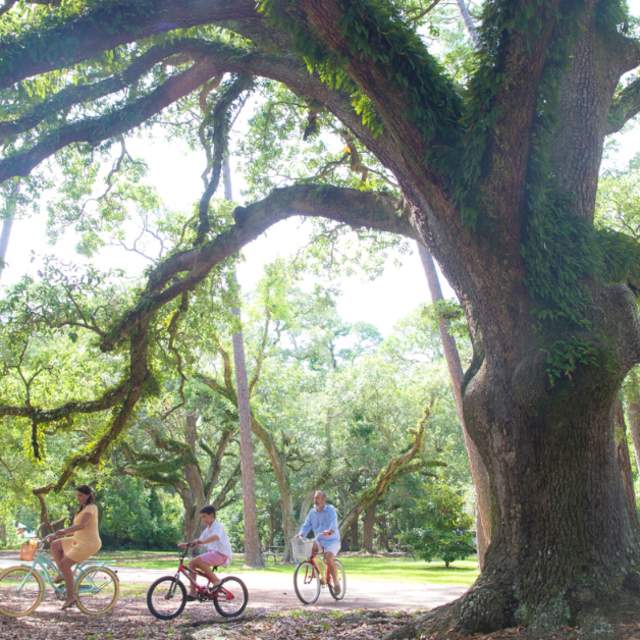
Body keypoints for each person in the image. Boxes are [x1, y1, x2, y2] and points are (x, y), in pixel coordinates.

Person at [44, 485, 102, 610]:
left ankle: (71, 597)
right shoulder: (81, 510)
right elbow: (75, 530)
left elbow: (81, 525)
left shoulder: (92, 508)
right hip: (78, 540)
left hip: (89, 543)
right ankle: (63, 573)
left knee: (65, 565)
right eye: (77, 495)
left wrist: (63, 531)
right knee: (55, 544)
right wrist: (55, 535)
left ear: (88, 495)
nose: (78, 498)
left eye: (80, 495)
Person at [178, 505, 233, 600]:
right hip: (214, 554)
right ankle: (193, 593)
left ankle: (216, 581)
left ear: (211, 515)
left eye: (204, 516)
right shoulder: (207, 530)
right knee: (192, 564)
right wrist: (187, 544)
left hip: (221, 554)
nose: (203, 519)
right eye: (201, 517)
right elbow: (199, 541)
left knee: (196, 561)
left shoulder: (217, 526)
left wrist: (202, 542)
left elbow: (216, 537)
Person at [298, 490, 341, 594]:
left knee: (328, 558)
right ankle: (321, 575)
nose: (315, 500)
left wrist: (330, 531)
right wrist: (301, 534)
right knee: (311, 550)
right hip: (319, 539)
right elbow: (306, 525)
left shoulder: (330, 510)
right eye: (314, 498)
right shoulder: (312, 512)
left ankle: (336, 582)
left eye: (318, 498)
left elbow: (333, 523)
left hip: (332, 540)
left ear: (323, 500)